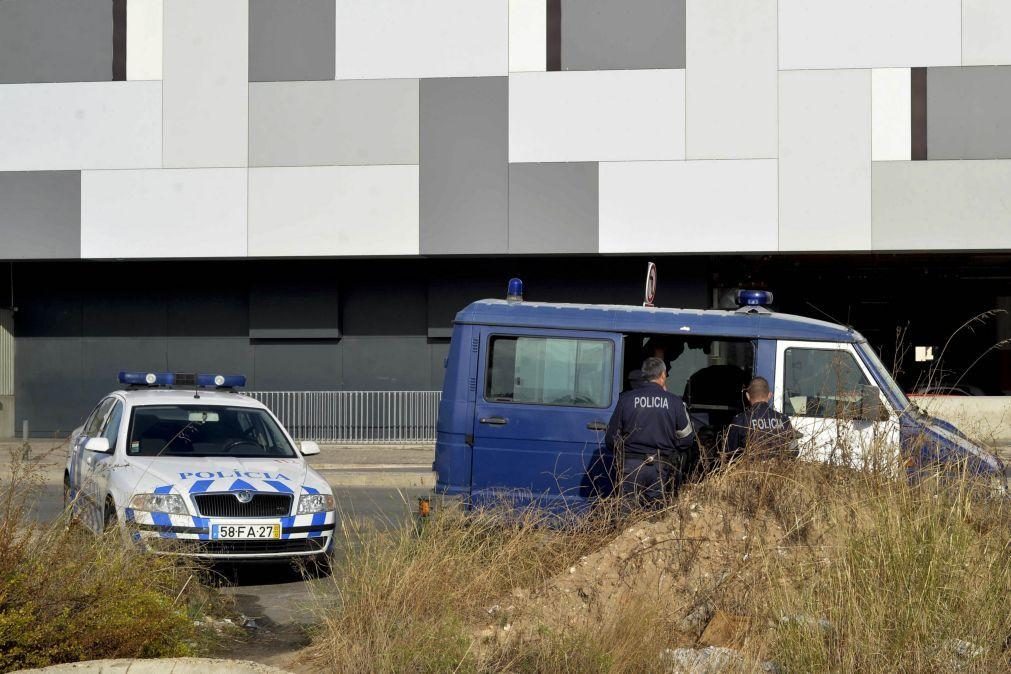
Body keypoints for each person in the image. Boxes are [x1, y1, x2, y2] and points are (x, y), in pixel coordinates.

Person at [606, 357, 695, 510]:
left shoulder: (626, 400)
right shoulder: (675, 402)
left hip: (631, 465)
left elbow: (611, 438)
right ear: (663, 375)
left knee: (626, 512)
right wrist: (671, 446)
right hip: (661, 465)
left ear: (644, 375)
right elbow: (687, 438)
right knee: (655, 514)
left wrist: (626, 451)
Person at [724, 376, 798, 460]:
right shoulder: (783, 419)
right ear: (770, 395)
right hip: (778, 471)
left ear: (747, 396)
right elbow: (794, 451)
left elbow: (730, 454)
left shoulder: (739, 421)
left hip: (749, 471)